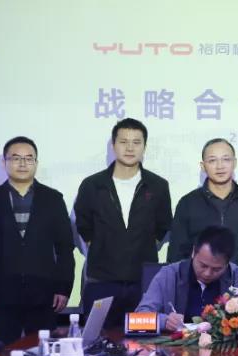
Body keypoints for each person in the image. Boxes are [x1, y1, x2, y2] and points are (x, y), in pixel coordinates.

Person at [0, 136, 75, 346]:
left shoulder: (53, 199)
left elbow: (65, 248)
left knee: (42, 355)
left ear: (36, 163)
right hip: (1, 296)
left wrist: (63, 288)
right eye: (16, 158)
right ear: (4, 163)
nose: (22, 163)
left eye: (29, 158)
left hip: (43, 295)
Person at [74, 118, 172, 327]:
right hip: (101, 282)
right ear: (113, 145)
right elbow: (83, 225)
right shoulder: (92, 185)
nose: (130, 148)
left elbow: (163, 226)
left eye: (136, 142)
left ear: (144, 146)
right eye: (124, 142)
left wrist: (137, 245)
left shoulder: (158, 185)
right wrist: (104, 245)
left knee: (143, 339)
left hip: (143, 284)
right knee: (98, 340)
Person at [167, 138, 238, 281]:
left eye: (226, 159)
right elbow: (177, 253)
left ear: (234, 163)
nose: (220, 166)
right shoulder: (188, 203)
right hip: (201, 285)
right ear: (203, 166)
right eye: (212, 160)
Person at [136, 226, 238, 332]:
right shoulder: (169, 275)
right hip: (178, 343)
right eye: (203, 265)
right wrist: (164, 321)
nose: (207, 273)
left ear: (227, 263)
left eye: (216, 269)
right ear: (194, 252)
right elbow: (138, 319)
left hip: (221, 345)